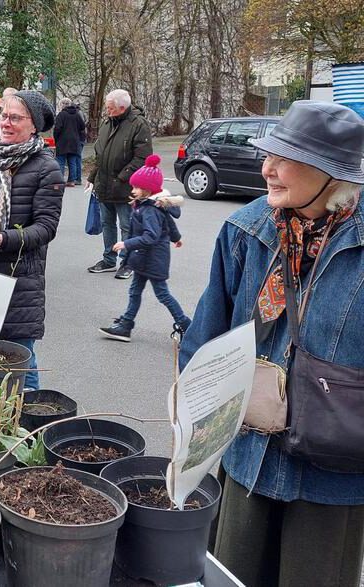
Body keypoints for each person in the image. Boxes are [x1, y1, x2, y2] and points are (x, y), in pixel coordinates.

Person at [179, 101, 364, 587]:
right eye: (269, 155)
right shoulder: (246, 229)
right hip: (250, 454)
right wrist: (192, 426)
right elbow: (205, 338)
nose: (267, 169)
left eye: (286, 158)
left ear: (331, 173)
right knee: (232, 574)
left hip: (334, 474)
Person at [0, 90, 64, 390]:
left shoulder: (46, 168)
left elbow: (46, 228)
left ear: (34, 125)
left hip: (20, 276)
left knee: (20, 355)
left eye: (15, 118)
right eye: (4, 116)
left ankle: (29, 408)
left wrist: (5, 238)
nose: (6, 123)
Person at [98, 155, 189, 342]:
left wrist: (126, 244)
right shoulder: (151, 205)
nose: (133, 190)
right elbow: (168, 224)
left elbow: (151, 236)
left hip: (153, 260)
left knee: (162, 294)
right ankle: (126, 325)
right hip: (143, 259)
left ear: (148, 189)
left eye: (137, 187)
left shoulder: (150, 210)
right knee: (135, 291)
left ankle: (186, 325)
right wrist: (176, 238)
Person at [85, 89, 152, 279]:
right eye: (107, 107)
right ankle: (108, 260)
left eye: (110, 108)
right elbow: (100, 155)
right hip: (104, 185)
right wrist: (92, 178)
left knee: (127, 226)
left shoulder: (138, 124)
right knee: (107, 224)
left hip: (125, 187)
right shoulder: (107, 123)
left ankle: (128, 262)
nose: (107, 111)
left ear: (122, 108)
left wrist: (121, 177)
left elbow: (142, 157)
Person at [53, 97, 87, 187]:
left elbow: (57, 128)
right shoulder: (77, 114)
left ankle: (60, 180)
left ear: (61, 105)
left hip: (62, 141)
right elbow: (82, 126)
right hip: (75, 141)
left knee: (61, 161)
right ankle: (72, 180)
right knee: (72, 161)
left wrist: (56, 138)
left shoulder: (61, 115)